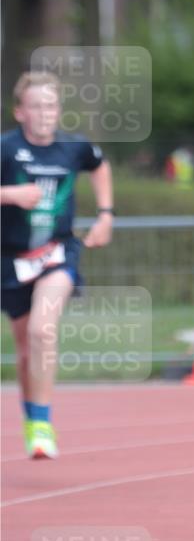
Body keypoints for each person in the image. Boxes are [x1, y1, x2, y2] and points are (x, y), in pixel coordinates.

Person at [1, 72, 114, 459]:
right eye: (36, 106)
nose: (44, 113)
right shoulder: (5, 149)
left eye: (50, 105)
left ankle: (44, 422)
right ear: (20, 112)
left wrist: (105, 214)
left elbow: (99, 166)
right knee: (25, 347)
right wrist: (10, 194)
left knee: (42, 331)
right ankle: (31, 419)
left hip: (57, 255)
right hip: (11, 259)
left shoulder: (74, 147)